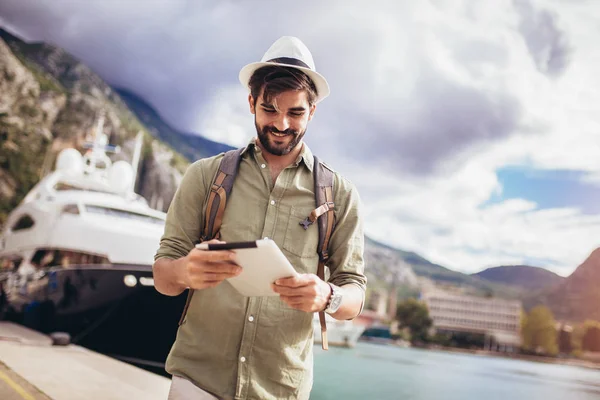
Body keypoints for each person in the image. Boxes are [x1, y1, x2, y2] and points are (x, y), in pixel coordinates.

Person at [153, 36, 367, 400]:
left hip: (280, 390)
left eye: (296, 113)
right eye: (269, 109)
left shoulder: (341, 196)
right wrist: (185, 271)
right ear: (251, 103)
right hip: (197, 382)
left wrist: (327, 295)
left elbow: (354, 296)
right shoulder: (205, 177)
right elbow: (162, 276)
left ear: (312, 112)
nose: (282, 124)